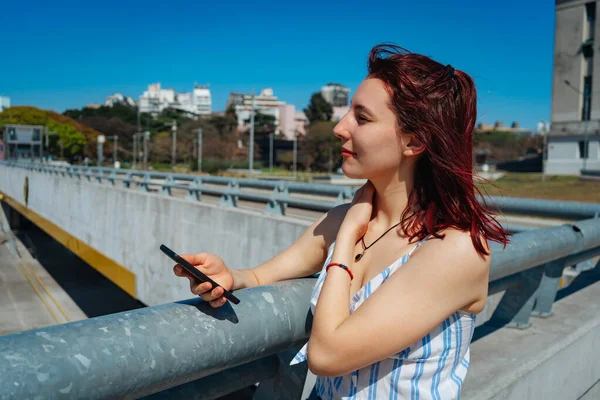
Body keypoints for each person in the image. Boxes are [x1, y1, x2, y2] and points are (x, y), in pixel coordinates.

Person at [173, 43, 509, 399]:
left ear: (415, 141)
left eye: (361, 118)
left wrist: (348, 237)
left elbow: (327, 355)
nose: (339, 127)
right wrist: (229, 277)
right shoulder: (341, 218)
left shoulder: (454, 249)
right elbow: (258, 277)